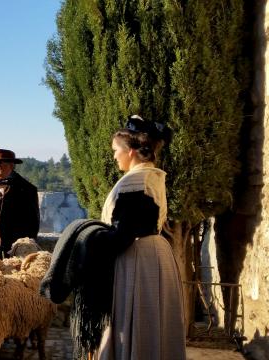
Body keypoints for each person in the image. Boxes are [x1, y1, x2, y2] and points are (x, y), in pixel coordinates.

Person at [97, 115, 185, 359]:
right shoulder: (151, 175)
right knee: (150, 324)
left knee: (136, 323)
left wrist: (89, 247)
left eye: (116, 150)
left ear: (132, 151)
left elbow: (123, 234)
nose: (114, 155)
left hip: (137, 259)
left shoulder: (134, 182)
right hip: (153, 255)